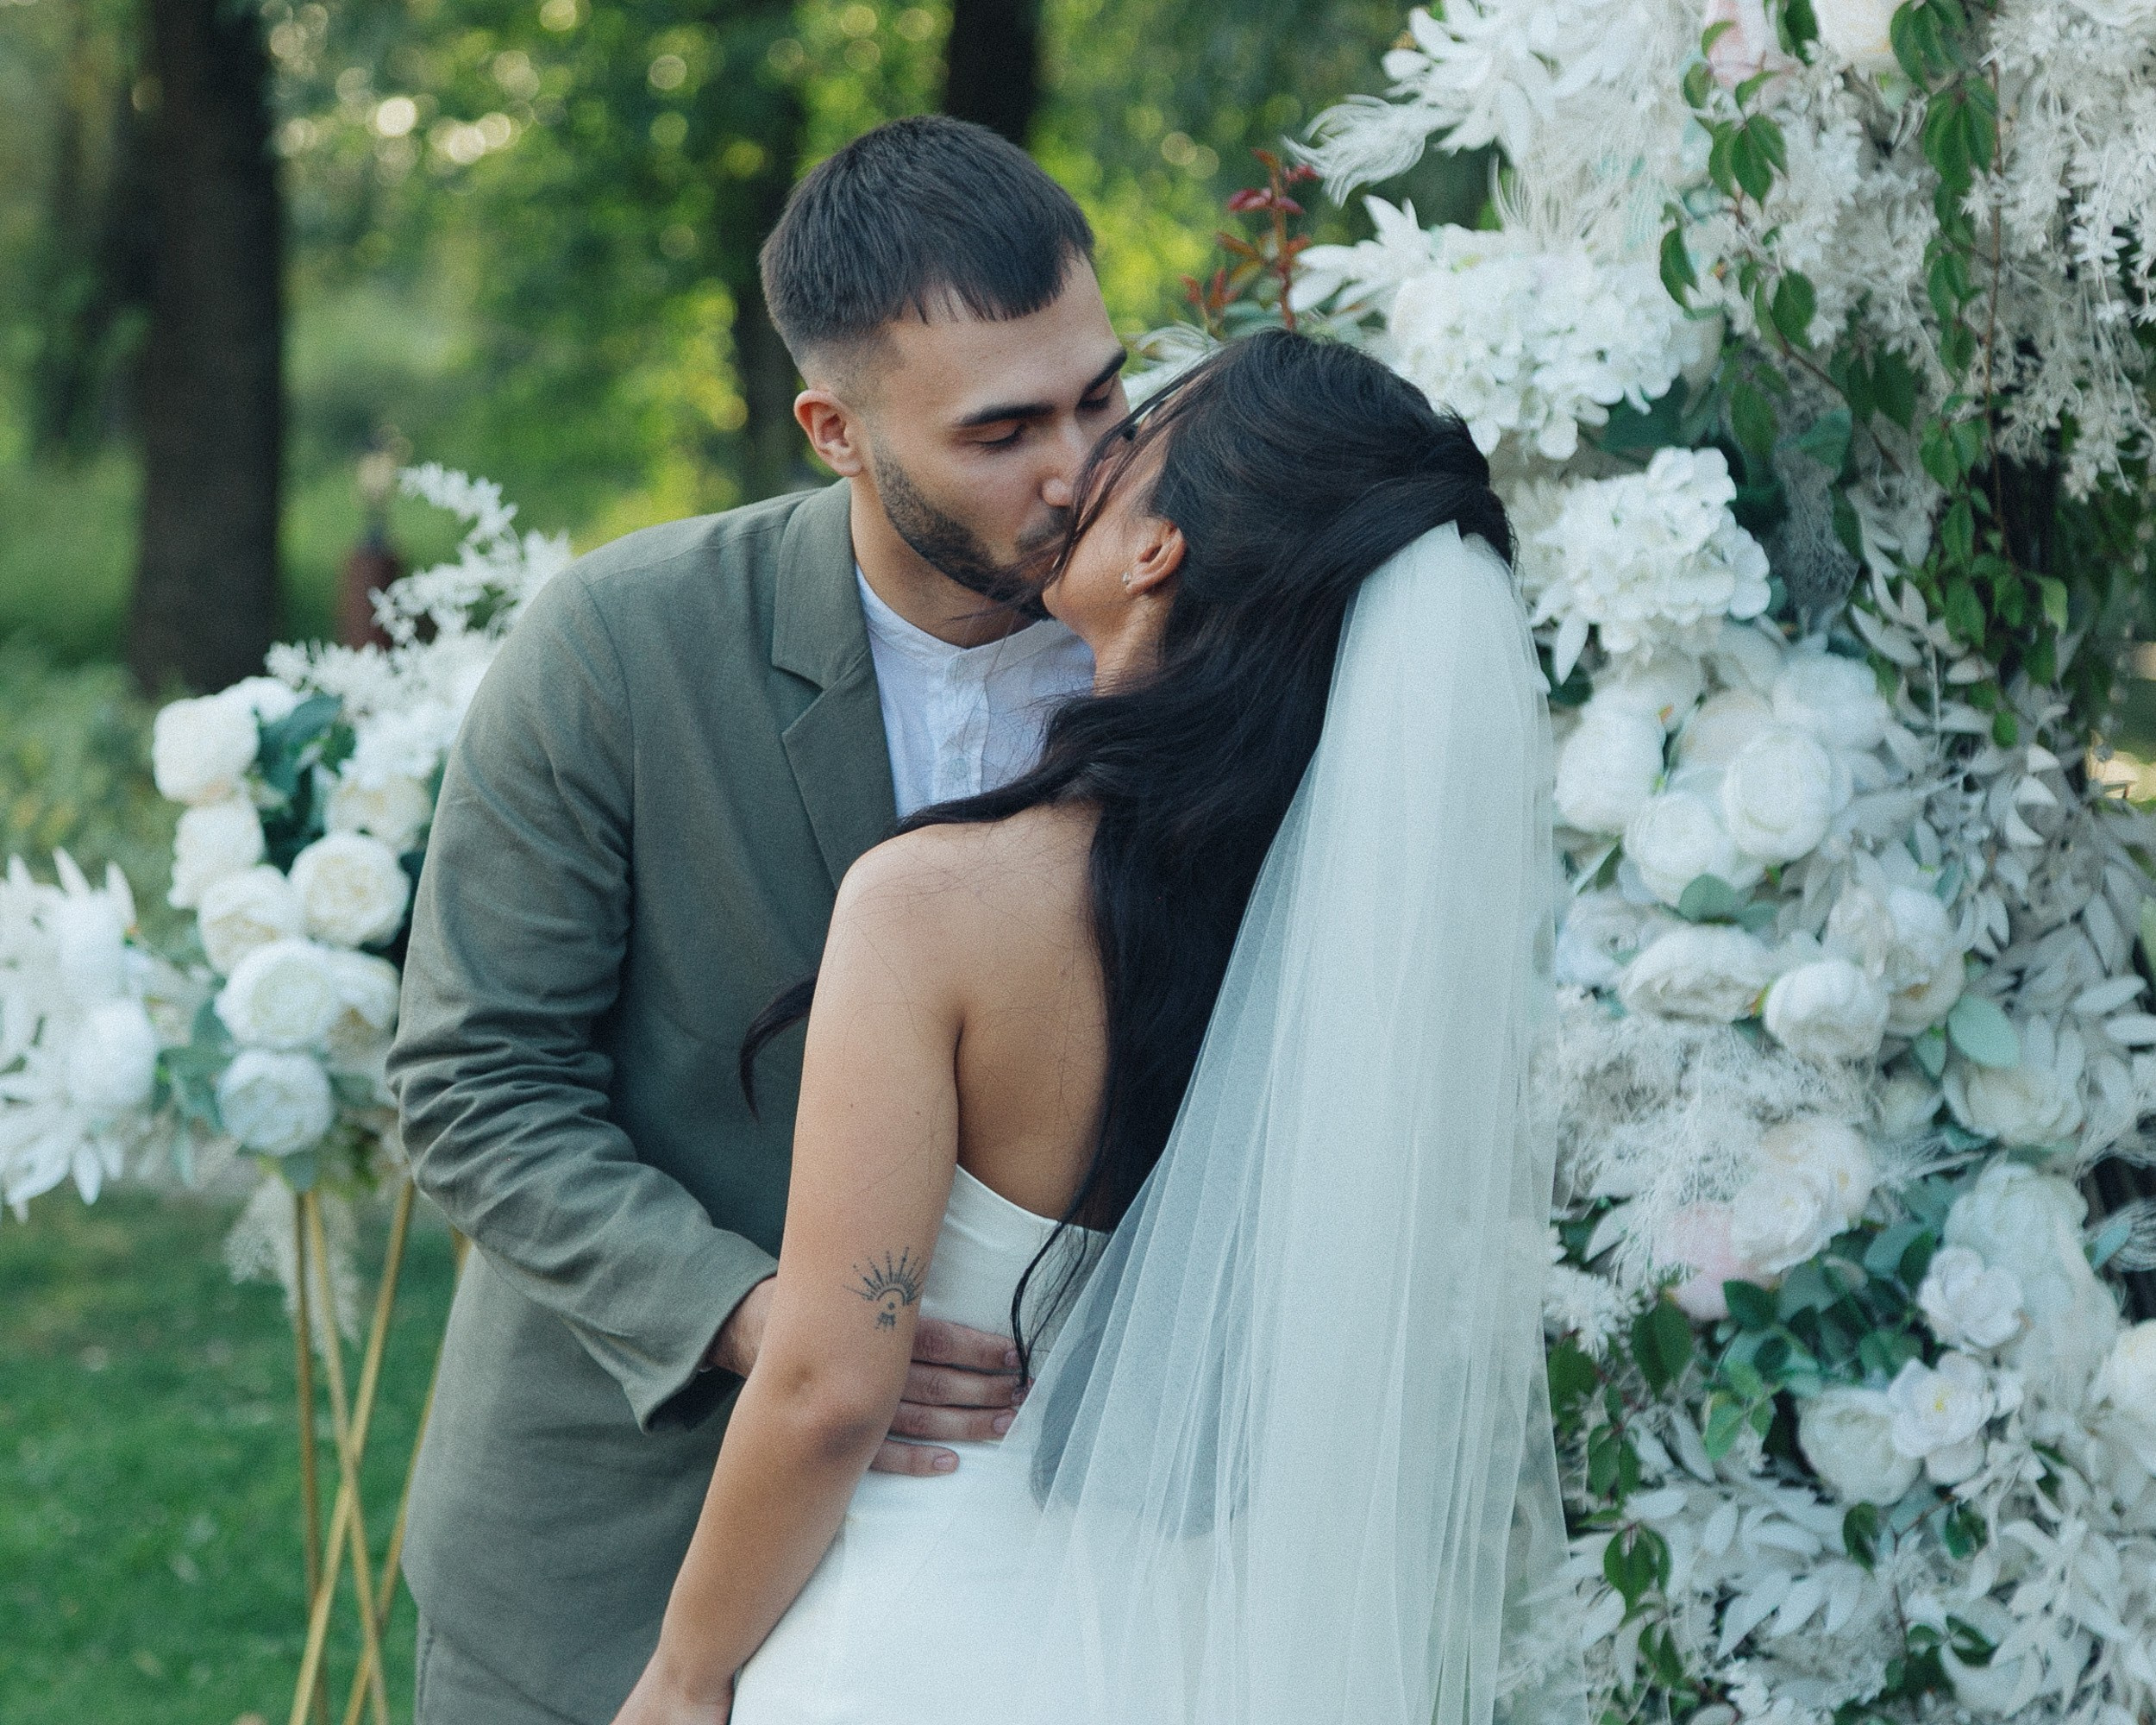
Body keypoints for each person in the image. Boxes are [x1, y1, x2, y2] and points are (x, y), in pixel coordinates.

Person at [612, 329, 1574, 1725]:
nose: (1077, 477)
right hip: (1215, 1637)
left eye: (1128, 444)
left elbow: (828, 1387)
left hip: (935, 1635)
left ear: (1155, 553)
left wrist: (687, 1675)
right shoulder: (1362, 940)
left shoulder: (939, 906)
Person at [386, 116, 1131, 1725]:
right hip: (615, 1552)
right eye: (1002, 431)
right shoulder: (618, 646)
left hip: (1043, 1559)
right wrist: (756, 1316)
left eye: (1101, 395)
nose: (1078, 473)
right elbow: (474, 1084)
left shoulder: (1195, 647)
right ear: (834, 431)